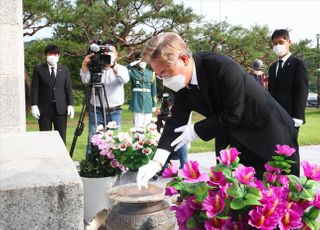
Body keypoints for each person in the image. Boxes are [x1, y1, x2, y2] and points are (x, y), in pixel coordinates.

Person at [136, 32, 299, 188]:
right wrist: (156, 162)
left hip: (270, 133)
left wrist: (194, 131)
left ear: (184, 59)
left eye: (165, 73)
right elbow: (176, 121)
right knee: (241, 196)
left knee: (278, 195)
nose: (165, 80)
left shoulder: (220, 66)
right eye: (159, 76)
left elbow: (233, 114)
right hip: (238, 138)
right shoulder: (180, 82)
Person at [80, 41, 130, 159]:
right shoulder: (95, 68)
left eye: (110, 52)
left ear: (116, 54)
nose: (107, 55)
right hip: (96, 110)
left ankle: (114, 166)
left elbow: (125, 79)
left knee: (115, 141)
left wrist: (112, 66)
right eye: (105, 53)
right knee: (93, 139)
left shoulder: (121, 68)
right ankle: (91, 165)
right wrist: (85, 65)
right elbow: (85, 80)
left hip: (115, 111)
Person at [31, 44, 74, 144]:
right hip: (44, 109)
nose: (52, 56)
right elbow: (35, 88)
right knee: (45, 138)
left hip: (60, 109)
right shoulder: (39, 69)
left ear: (58, 56)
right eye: (50, 54)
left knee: (61, 137)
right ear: (45, 55)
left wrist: (70, 105)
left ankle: (61, 158)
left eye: (55, 54)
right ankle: (46, 158)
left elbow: (68, 89)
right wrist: (34, 105)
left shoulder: (64, 70)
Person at [268, 29, 309, 132]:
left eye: (281, 42)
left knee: (289, 147)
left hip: (291, 117)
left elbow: (302, 91)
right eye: (275, 43)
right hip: (274, 116)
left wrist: (298, 117)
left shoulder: (298, 64)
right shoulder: (272, 67)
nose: (278, 46)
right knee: (275, 146)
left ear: (289, 43)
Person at [127, 53, 157, 127]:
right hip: (137, 101)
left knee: (148, 125)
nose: (142, 62)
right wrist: (133, 63)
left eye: (144, 60)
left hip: (148, 102)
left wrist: (154, 105)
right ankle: (137, 138)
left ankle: (146, 139)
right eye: (140, 60)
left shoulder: (151, 74)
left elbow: (154, 91)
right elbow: (124, 69)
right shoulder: (133, 72)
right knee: (137, 125)